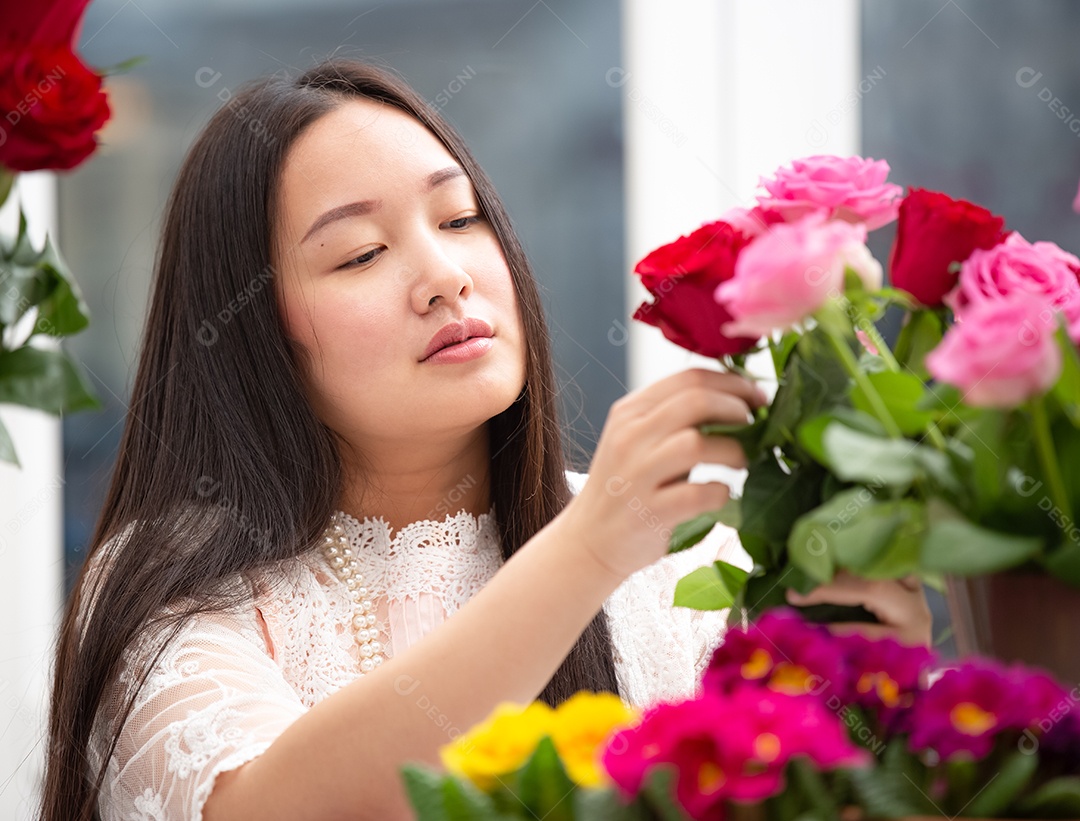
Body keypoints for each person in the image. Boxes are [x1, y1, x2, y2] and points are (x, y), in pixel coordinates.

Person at [40, 59, 930, 821]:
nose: (444, 276)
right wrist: (586, 552)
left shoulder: (680, 562)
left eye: (460, 219)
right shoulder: (174, 590)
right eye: (360, 254)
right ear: (252, 334)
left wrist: (869, 701)